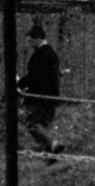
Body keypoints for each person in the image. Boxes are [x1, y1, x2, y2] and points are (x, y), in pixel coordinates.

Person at [16, 20, 62, 154]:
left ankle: (53, 145)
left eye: (31, 39)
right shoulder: (48, 53)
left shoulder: (43, 54)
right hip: (48, 95)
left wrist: (20, 85)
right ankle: (50, 154)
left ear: (38, 38)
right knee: (43, 126)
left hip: (41, 96)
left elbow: (35, 76)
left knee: (32, 124)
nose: (29, 42)